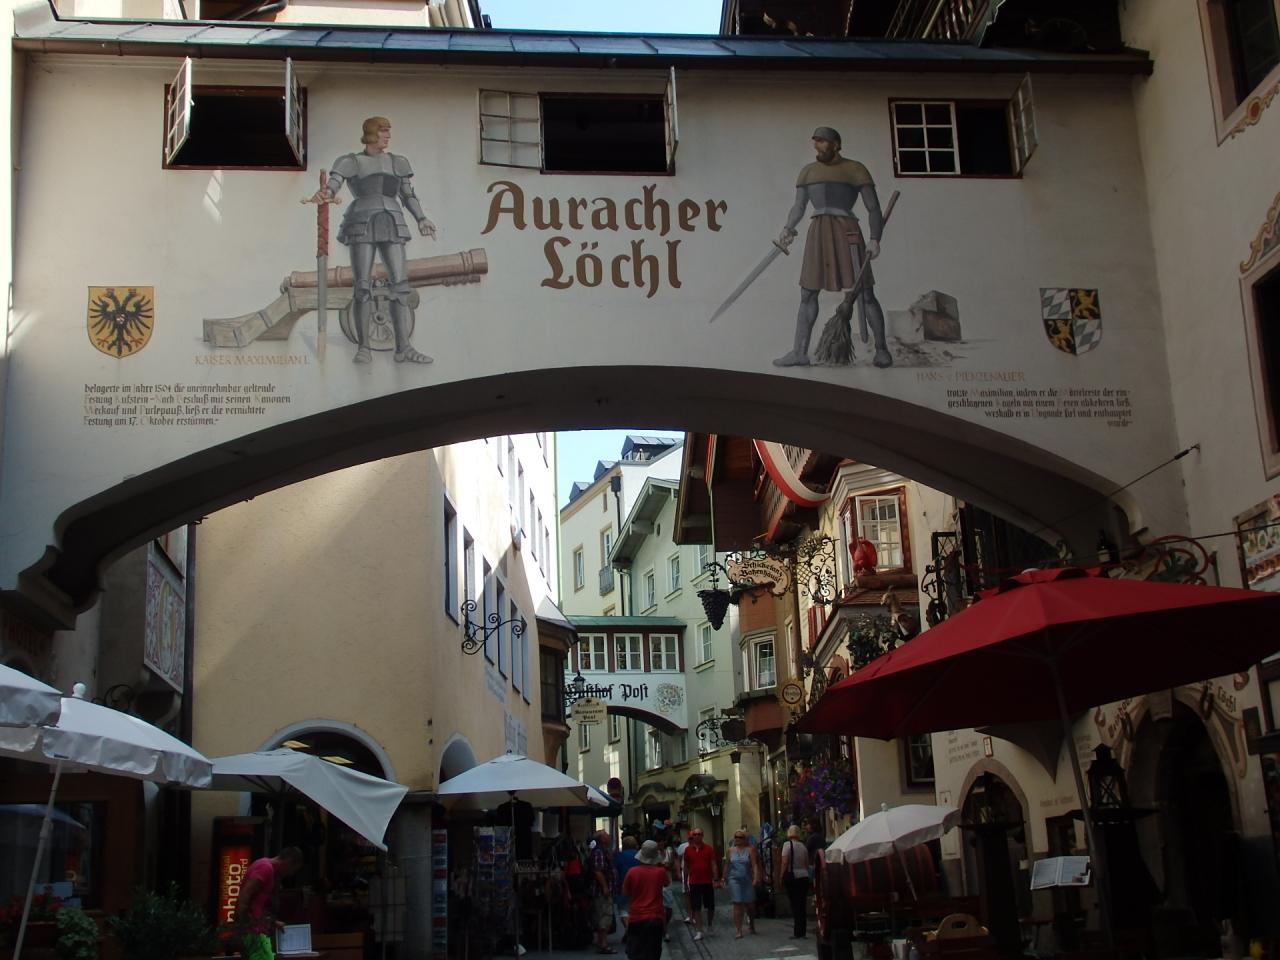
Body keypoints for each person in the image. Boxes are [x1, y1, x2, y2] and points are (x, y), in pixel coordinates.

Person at [311, 116, 437, 365]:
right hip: (361, 222)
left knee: (400, 285)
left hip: (393, 221)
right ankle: (364, 348)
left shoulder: (398, 162)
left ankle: (403, 348)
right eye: (383, 131)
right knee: (362, 286)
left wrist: (422, 218)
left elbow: (407, 195)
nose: (388, 136)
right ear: (371, 133)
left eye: (389, 131)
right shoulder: (350, 161)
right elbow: (334, 185)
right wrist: (325, 192)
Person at [774, 126, 892, 369]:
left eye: (822, 141)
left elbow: (873, 208)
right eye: (815, 141)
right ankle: (799, 352)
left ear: (836, 144)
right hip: (818, 233)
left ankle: (882, 350)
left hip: (847, 231)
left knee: (865, 293)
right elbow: (799, 207)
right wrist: (788, 228)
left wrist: (875, 238)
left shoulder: (855, 169)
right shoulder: (808, 172)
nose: (817, 146)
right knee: (807, 294)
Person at [234, 847, 304, 960]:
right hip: (254, 931)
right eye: (292, 869)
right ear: (288, 861)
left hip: (255, 929)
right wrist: (246, 924)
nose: (290, 874)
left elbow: (256, 905)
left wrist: (272, 922)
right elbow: (245, 893)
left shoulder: (264, 866)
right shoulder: (265, 868)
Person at [621, 840, 671, 960]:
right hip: (656, 916)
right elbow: (667, 883)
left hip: (637, 916)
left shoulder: (632, 872)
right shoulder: (660, 872)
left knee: (636, 952)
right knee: (653, 952)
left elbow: (625, 892)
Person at [723, 829, 763, 938]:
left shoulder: (750, 850)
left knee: (750, 905)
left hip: (747, 879)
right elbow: (727, 864)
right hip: (734, 879)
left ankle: (751, 924)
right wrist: (724, 877)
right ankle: (739, 930)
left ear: (745, 839)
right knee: (737, 903)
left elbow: (754, 864)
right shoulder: (730, 851)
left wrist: (756, 877)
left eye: (740, 837)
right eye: (736, 837)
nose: (737, 839)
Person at [681, 827, 719, 941]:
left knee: (710, 906)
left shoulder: (709, 849)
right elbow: (686, 866)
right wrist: (685, 882)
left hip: (707, 881)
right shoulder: (688, 850)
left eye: (699, 834)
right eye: (695, 834)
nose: (697, 836)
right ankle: (699, 930)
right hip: (694, 882)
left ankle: (710, 925)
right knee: (696, 907)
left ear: (702, 836)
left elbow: (713, 864)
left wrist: (716, 878)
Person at [780, 824, 812, 938]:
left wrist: (781, 876)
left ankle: (797, 932)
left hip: (793, 876)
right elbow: (807, 863)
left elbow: (784, 862)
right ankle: (802, 931)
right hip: (804, 876)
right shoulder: (803, 846)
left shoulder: (787, 845)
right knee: (802, 904)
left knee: (795, 904)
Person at [590, 830, 617, 954]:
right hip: (601, 891)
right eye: (606, 834)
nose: (609, 836)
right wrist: (605, 887)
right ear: (602, 839)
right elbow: (598, 870)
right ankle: (603, 944)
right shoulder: (599, 852)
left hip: (602, 889)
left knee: (603, 915)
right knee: (605, 916)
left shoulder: (602, 851)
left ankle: (601, 942)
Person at [615, 835, 640, 925]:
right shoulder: (640, 855)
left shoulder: (619, 856)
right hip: (638, 886)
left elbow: (615, 872)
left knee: (624, 910)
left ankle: (628, 927)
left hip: (623, 885)